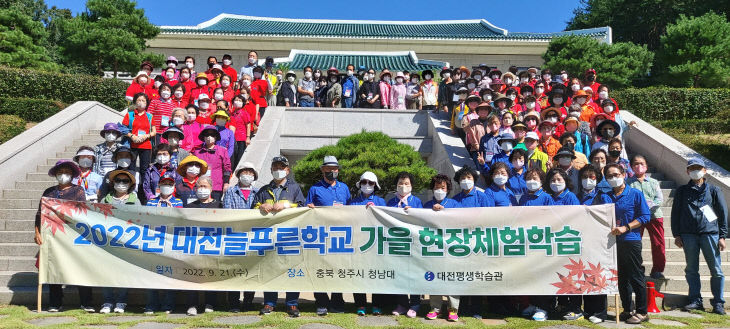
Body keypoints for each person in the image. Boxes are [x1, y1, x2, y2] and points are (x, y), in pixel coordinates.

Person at [35, 160, 93, 313]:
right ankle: (55, 302)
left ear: (72, 175)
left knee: (81, 267)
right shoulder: (48, 192)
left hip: (73, 234)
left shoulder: (78, 191)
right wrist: (37, 232)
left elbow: (81, 212)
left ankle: (86, 302)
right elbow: (39, 214)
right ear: (55, 174)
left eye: (67, 172)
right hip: (53, 236)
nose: (63, 175)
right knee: (54, 268)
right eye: (60, 172)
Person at [671, 158, 727, 314]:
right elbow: (676, 214)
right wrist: (676, 234)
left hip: (710, 234)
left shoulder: (714, 190)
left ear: (705, 170)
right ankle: (695, 300)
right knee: (691, 269)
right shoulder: (682, 191)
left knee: (716, 269)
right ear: (687, 171)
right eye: (692, 168)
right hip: (688, 235)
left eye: (698, 168)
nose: (695, 170)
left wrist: (722, 235)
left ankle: (718, 303)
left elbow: (722, 214)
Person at [253, 156, 306, 317]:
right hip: (269, 237)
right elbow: (252, 209)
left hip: (290, 236)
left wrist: (287, 205)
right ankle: (269, 303)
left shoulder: (295, 188)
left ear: (287, 170)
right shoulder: (263, 190)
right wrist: (261, 206)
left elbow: (303, 207)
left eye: (281, 167)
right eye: (275, 167)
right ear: (270, 170)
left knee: (292, 270)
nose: (278, 170)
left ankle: (292, 304)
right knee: (269, 269)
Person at [600, 163, 651, 324]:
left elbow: (645, 216)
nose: (613, 178)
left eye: (616, 174)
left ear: (623, 174)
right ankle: (627, 309)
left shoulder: (635, 194)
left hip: (630, 240)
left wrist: (626, 227)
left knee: (636, 276)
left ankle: (642, 311)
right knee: (621, 278)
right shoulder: (605, 196)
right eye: (609, 176)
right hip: (612, 242)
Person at [304, 156, 350, 315]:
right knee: (320, 271)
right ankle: (322, 302)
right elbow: (306, 211)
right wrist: (309, 207)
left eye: (335, 169)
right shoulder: (314, 189)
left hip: (340, 237)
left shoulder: (344, 188)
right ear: (323, 170)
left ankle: (337, 303)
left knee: (337, 271)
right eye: (329, 169)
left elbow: (351, 210)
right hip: (321, 237)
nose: (332, 171)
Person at [184, 176, 235, 315]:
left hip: (213, 246)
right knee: (193, 276)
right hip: (194, 247)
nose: (202, 189)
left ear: (211, 189)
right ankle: (192, 305)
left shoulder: (219, 206)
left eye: (205, 186)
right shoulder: (189, 207)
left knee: (210, 275)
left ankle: (210, 303)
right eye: (199, 186)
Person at [98, 169, 139, 314]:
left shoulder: (135, 200)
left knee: (124, 272)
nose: (121, 183)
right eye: (118, 181)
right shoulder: (105, 200)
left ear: (130, 184)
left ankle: (121, 301)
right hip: (108, 242)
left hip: (126, 242)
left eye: (125, 181)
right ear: (113, 182)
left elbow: (139, 220)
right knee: (106, 272)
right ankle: (108, 301)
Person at [346, 171, 387, 316]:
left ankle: (377, 305)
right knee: (359, 274)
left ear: (375, 185)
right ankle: (360, 305)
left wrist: (376, 209)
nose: (367, 185)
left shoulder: (381, 202)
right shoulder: (353, 202)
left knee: (377, 275)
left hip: (376, 244)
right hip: (358, 242)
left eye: (370, 183)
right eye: (364, 182)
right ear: (360, 184)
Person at [423, 174, 461, 322]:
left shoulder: (454, 204)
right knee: (434, 277)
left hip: (452, 248)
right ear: (432, 189)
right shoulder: (426, 205)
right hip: (433, 248)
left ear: (448, 189)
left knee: (452, 277)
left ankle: (453, 309)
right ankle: (435, 308)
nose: (439, 190)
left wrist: (445, 212)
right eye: (437, 187)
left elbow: (462, 220)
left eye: (443, 187)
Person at [144, 172, 183, 314]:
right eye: (164, 184)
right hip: (154, 240)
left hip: (171, 241)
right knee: (151, 273)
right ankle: (151, 304)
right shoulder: (151, 201)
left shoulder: (178, 202)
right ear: (159, 186)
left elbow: (179, 219)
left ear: (173, 187)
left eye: (170, 184)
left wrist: (170, 206)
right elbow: (147, 218)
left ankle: (168, 305)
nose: (167, 186)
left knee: (169, 273)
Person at [386, 171, 423, 318]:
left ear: (411, 186)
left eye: (406, 183)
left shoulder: (416, 201)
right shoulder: (391, 202)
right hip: (397, 244)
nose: (403, 186)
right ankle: (402, 304)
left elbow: (423, 221)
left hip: (413, 244)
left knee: (413, 274)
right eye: (400, 184)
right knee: (399, 274)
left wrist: (413, 213)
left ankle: (415, 304)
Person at [627, 155, 666, 280]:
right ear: (632, 167)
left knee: (658, 244)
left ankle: (658, 269)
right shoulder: (628, 183)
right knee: (635, 244)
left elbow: (659, 199)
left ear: (646, 166)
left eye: (642, 163)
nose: (639, 166)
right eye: (636, 164)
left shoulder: (654, 182)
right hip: (637, 218)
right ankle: (637, 269)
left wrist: (647, 209)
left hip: (654, 216)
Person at [123, 92, 155, 202]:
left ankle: (144, 193)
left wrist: (147, 135)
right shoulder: (129, 114)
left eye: (143, 101)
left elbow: (154, 131)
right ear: (135, 102)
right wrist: (132, 136)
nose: (141, 103)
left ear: (147, 104)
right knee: (131, 168)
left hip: (146, 145)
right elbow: (123, 128)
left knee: (144, 170)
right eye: (139, 100)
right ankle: (130, 190)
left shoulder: (150, 116)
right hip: (132, 144)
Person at [192, 125, 231, 201]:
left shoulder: (223, 151)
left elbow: (227, 168)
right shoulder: (197, 152)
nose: (209, 137)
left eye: (212, 135)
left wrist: (226, 183)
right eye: (207, 135)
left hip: (216, 186)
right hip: (200, 186)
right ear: (203, 137)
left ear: (215, 137)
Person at [229, 95, 252, 166]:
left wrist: (248, 137)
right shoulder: (231, 114)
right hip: (233, 138)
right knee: (233, 156)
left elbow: (248, 125)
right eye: (236, 100)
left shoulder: (244, 113)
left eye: (240, 101)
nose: (237, 102)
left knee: (239, 157)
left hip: (241, 138)